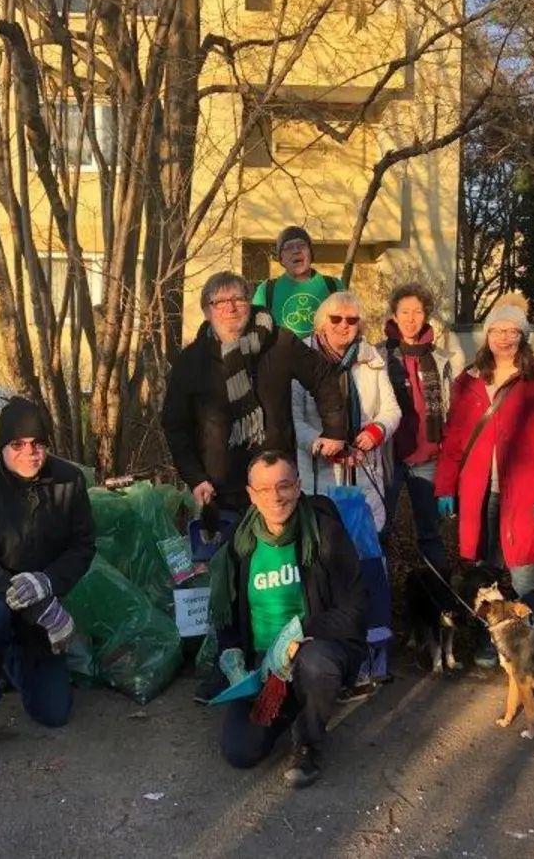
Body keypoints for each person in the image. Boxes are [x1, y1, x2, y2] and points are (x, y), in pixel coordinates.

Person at [163, 270, 350, 701]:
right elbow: (174, 426)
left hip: (279, 490)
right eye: (219, 301)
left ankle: (303, 662)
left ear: (251, 303)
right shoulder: (192, 362)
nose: (230, 308)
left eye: (238, 299)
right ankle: (232, 663)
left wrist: (335, 428)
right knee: (231, 580)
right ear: (207, 310)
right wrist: (195, 478)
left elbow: (324, 378)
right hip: (225, 490)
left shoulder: (279, 342)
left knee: (292, 576)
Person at [0, 398, 96, 761]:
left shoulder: (68, 481)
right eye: (18, 445)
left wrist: (48, 583)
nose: (29, 453)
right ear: (3, 446)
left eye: (37, 444)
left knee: (53, 713)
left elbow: (83, 544)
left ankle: (13, 659)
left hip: (40, 596)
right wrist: (39, 605)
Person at [434, 295, 534, 666]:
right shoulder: (469, 381)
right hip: (479, 494)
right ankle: (492, 641)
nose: (504, 338)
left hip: (524, 495)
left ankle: (532, 648)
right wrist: (446, 486)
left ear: (523, 336)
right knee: (487, 574)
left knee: (524, 573)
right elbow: (454, 439)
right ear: (487, 335)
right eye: (498, 330)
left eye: (513, 331)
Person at [210, 451, 368, 788]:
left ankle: (308, 742)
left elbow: (355, 610)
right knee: (241, 752)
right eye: (264, 490)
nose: (275, 497)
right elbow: (227, 613)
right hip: (262, 664)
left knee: (316, 664)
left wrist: (300, 635)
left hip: (313, 650)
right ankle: (290, 705)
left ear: (298, 487)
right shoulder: (240, 540)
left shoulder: (325, 533)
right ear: (251, 494)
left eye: (283, 486)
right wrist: (230, 652)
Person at [378, 282, 468, 581]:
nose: (410, 318)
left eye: (417, 311)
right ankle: (380, 597)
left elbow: (453, 411)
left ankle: (438, 595)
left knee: (430, 532)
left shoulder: (442, 359)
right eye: (404, 311)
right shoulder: (378, 356)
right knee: (380, 529)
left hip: (427, 457)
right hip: (387, 457)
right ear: (394, 314)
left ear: (426, 315)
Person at [292, 291, 401, 531]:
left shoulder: (372, 360)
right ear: (322, 323)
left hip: (364, 467)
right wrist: (323, 445)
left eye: (351, 320)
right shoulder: (302, 359)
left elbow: (391, 409)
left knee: (365, 544)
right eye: (336, 319)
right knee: (325, 546)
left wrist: (377, 430)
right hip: (320, 472)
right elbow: (294, 420)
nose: (344, 325)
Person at [251, 225, 343, 338]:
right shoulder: (266, 290)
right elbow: (256, 334)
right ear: (281, 259)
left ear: (310, 253)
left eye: (301, 245)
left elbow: (348, 326)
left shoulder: (333, 286)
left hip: (322, 355)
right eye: (288, 247)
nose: (296, 251)